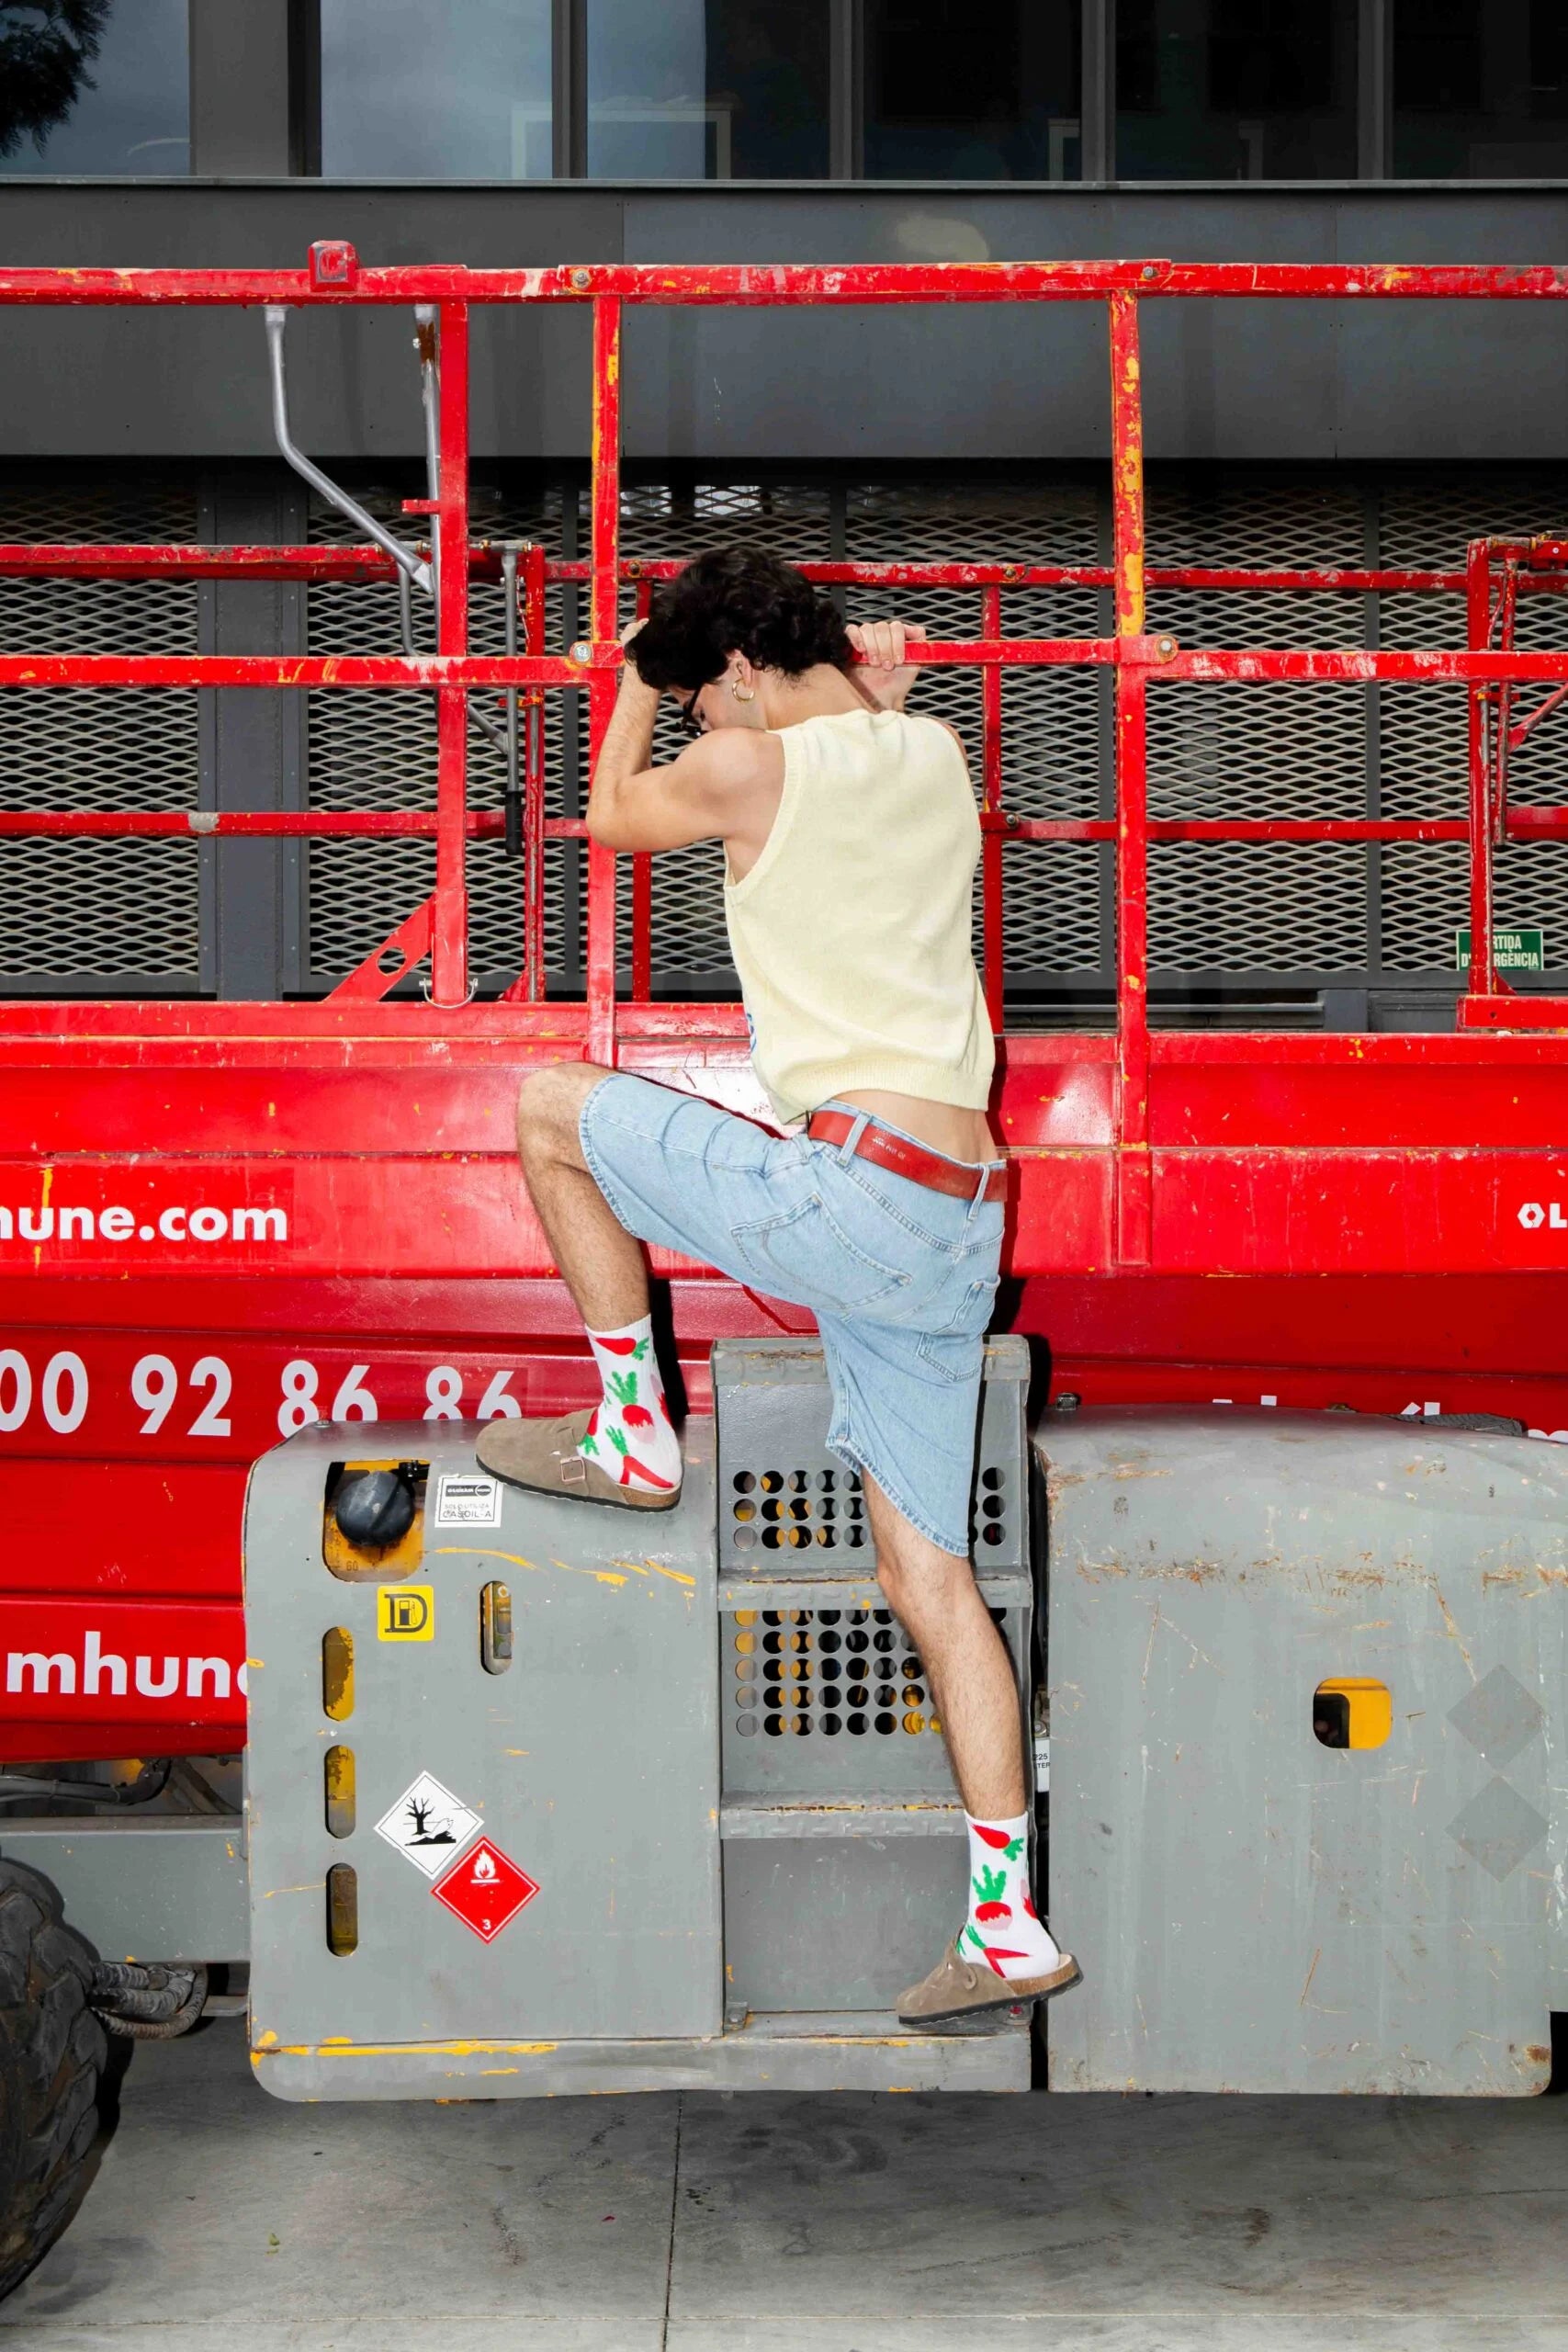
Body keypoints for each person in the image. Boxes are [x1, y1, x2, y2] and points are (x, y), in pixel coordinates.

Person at [477, 548, 1077, 2029]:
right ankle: (1006, 1927)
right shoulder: (929, 751)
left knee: (549, 1112)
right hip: (959, 1219)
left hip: (854, 1196)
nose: (699, 723)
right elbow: (868, 729)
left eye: (703, 696)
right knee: (927, 1581)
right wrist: (872, 683)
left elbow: (612, 815)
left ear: (736, 676)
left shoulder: (747, 763)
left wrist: (632, 671)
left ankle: (631, 1431)